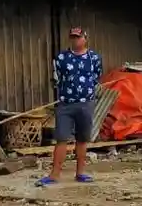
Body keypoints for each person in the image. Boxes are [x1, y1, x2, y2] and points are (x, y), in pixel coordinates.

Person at [40, 27, 102, 186]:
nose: (75, 40)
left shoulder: (93, 58)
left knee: (82, 139)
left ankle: (80, 173)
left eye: (78, 37)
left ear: (85, 38)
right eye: (73, 37)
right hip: (66, 104)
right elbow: (57, 79)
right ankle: (54, 175)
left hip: (86, 104)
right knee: (61, 138)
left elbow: (96, 77)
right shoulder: (61, 58)